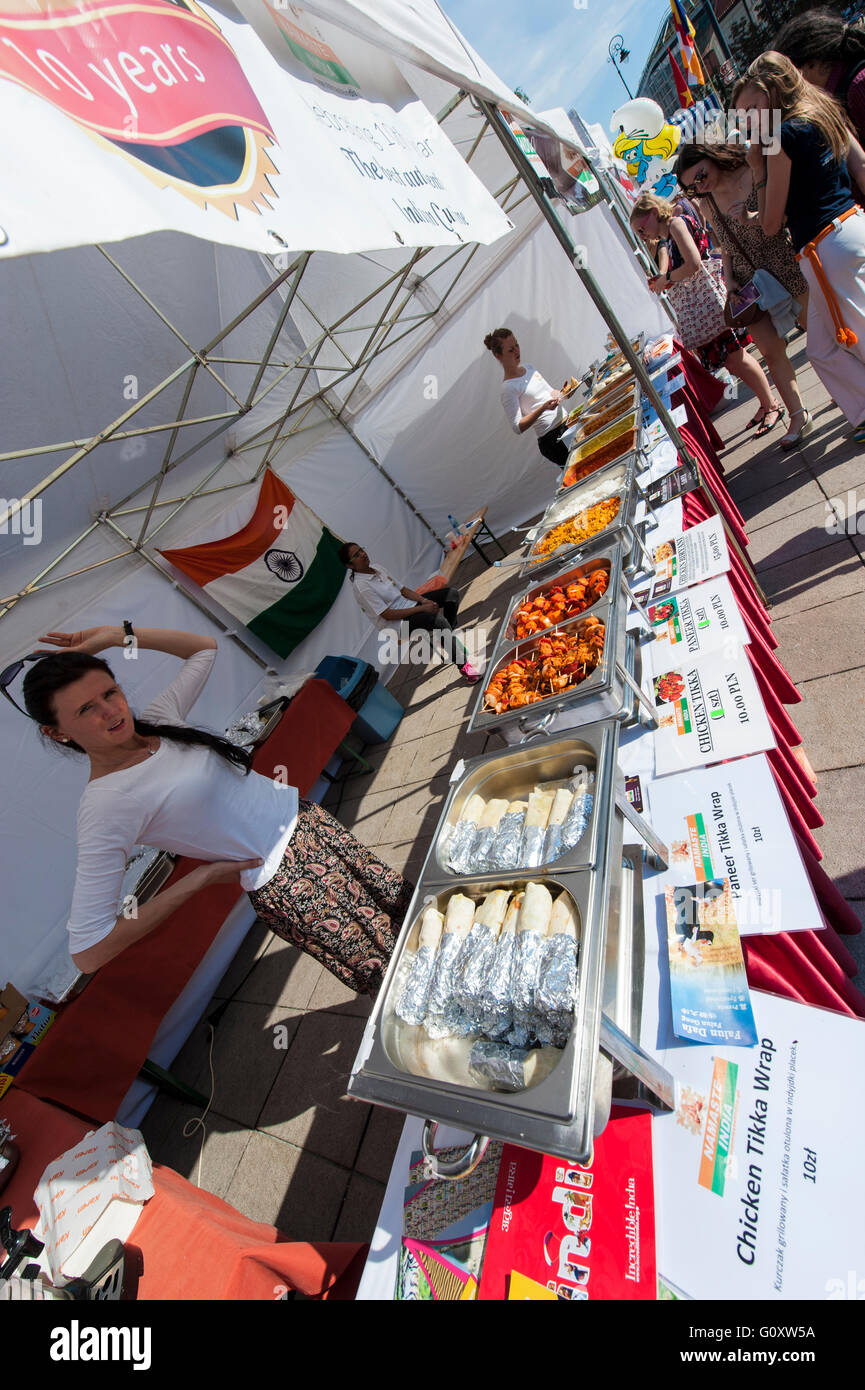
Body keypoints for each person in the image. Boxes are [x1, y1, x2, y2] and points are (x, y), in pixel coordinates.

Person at [12, 625, 413, 992]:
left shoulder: (156, 720)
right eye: (85, 709)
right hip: (288, 879)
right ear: (57, 732)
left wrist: (120, 636)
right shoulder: (105, 804)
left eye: (109, 693)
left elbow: (203, 649)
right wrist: (199, 880)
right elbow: (89, 950)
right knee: (397, 967)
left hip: (310, 824)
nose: (110, 711)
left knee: (409, 912)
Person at [734, 52, 865, 442]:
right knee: (821, 348)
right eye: (745, 116)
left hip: (825, 248)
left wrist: (757, 170)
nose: (752, 120)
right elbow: (860, 166)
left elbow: (772, 223)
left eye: (754, 108)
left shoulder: (781, 136)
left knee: (855, 334)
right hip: (848, 229)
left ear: (772, 91)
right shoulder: (824, 111)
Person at [675, 140, 811, 448]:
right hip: (748, 280)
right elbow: (724, 245)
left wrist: (752, 215)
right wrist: (729, 279)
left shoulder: (752, 168)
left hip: (783, 259)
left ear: (709, 157)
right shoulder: (706, 201)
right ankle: (798, 414)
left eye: (699, 175)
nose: (699, 185)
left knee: (819, 331)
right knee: (771, 352)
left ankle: (849, 390)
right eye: (691, 186)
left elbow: (784, 210)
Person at [629, 191, 783, 430]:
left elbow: (694, 263)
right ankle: (766, 403)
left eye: (641, 228)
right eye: (638, 232)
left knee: (737, 359)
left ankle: (772, 404)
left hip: (709, 305)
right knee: (733, 361)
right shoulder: (669, 231)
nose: (642, 234)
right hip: (705, 306)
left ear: (653, 213)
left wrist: (666, 278)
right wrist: (666, 280)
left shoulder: (676, 223)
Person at [338, 542, 480, 682]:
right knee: (438, 621)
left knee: (451, 596)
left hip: (409, 606)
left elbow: (403, 590)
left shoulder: (377, 568)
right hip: (396, 626)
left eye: (361, 550)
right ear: (349, 566)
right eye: (356, 555)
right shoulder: (362, 587)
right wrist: (423, 608)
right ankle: (463, 666)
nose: (363, 554)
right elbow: (387, 614)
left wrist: (424, 601)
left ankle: (446, 637)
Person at [773, 9, 865, 148]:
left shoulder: (858, 86)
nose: (795, 88)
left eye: (792, 76)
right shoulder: (840, 95)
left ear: (811, 64)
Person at [484, 328, 571, 467]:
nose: (517, 351)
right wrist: (543, 408)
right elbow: (517, 426)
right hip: (552, 437)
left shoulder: (529, 368)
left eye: (517, 345)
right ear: (498, 355)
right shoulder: (508, 388)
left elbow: (550, 392)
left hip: (568, 423)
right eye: (511, 350)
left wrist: (565, 393)